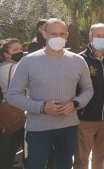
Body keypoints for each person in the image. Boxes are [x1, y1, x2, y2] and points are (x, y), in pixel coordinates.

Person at [7, 18, 94, 169]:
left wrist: (75, 103)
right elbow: (13, 95)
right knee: (35, 165)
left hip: (68, 127)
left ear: (67, 35)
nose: (58, 37)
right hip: (38, 128)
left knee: (64, 165)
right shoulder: (28, 61)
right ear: (44, 34)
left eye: (62, 34)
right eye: (53, 34)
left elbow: (88, 89)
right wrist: (42, 107)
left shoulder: (78, 61)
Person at [75, 23, 104, 169]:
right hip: (85, 119)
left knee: (100, 157)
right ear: (90, 36)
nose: (101, 39)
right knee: (81, 159)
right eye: (98, 35)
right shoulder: (79, 59)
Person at [0, 38, 25, 169]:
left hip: (7, 108)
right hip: (18, 110)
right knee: (22, 145)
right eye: (15, 49)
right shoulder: (15, 67)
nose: (20, 52)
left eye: (21, 49)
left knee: (8, 147)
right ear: (6, 53)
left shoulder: (3, 67)